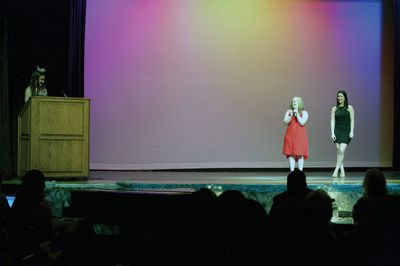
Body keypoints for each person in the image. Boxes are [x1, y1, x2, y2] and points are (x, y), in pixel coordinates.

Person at [331, 90, 355, 177]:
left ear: (345, 97)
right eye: (338, 96)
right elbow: (332, 121)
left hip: (346, 131)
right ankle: (342, 169)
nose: (339, 98)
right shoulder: (334, 109)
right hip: (337, 131)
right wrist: (332, 133)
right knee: (338, 151)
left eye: (341, 96)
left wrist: (352, 131)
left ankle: (336, 170)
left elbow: (352, 120)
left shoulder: (349, 108)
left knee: (341, 150)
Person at [283, 97, 309, 172]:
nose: (293, 103)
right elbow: (285, 122)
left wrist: (297, 113)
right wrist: (291, 116)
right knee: (291, 154)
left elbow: (302, 122)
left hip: (300, 136)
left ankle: (300, 172)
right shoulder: (289, 111)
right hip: (290, 136)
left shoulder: (304, 112)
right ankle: (292, 171)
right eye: (293, 102)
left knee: (300, 154)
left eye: (295, 102)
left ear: (299, 103)